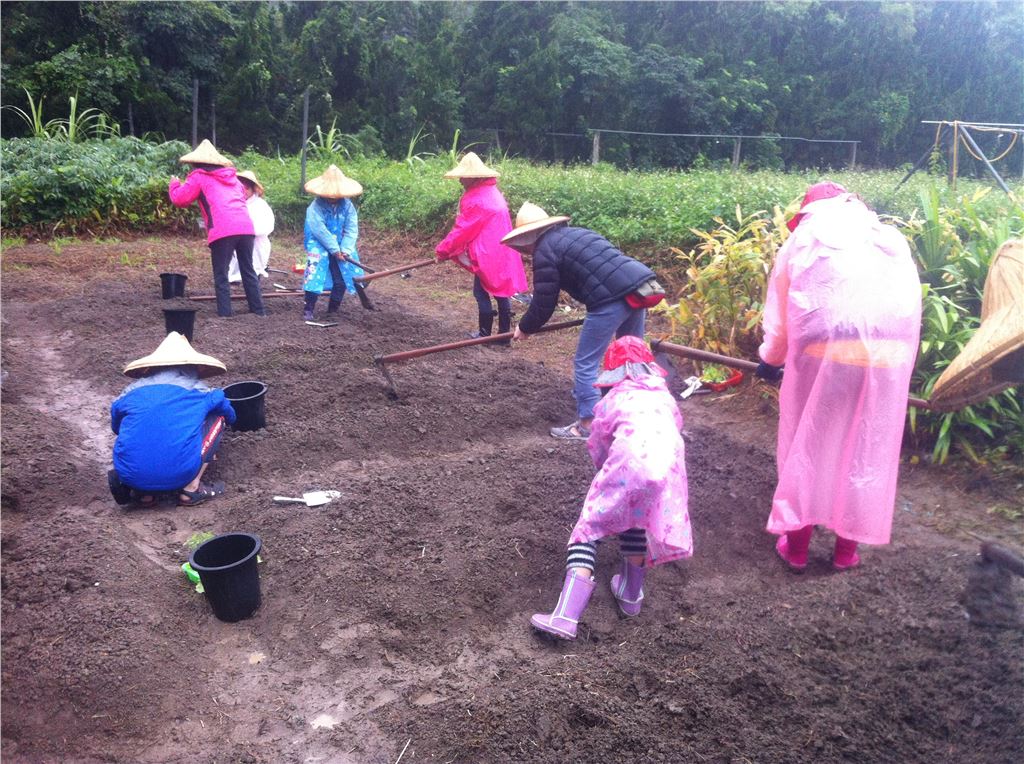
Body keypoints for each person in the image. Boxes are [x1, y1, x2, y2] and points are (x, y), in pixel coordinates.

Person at [757, 181, 922, 571]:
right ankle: (846, 552)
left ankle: (796, 548)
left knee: (810, 441)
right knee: (865, 446)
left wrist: (771, 359)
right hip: (888, 358)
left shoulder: (804, 238)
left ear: (810, 210)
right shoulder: (889, 238)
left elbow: (782, 318)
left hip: (823, 354)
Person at [531, 336, 693, 640]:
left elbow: (599, 445)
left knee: (589, 528)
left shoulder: (611, 402)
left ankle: (565, 616)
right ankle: (631, 596)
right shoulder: (665, 399)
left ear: (614, 372)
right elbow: (674, 431)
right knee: (636, 519)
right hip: (667, 475)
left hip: (627, 467)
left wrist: (605, 472)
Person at [504, 202, 665, 440]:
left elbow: (544, 301)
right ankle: (636, 412)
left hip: (609, 300)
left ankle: (587, 425)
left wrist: (525, 327)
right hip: (638, 290)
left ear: (527, 237)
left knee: (585, 362)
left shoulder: (544, 251)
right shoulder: (580, 233)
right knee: (631, 355)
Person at [107, 332, 236, 508]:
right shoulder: (199, 391)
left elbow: (116, 426)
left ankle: (144, 495)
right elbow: (228, 411)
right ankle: (191, 488)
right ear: (191, 367)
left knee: (136, 426)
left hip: (132, 477)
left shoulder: (130, 392)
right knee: (217, 418)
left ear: (153, 367)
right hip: (182, 472)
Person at [434, 152, 528, 340]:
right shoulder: (493, 193)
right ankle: (503, 336)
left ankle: (485, 334)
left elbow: (462, 230)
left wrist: (442, 250)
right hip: (503, 250)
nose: (460, 180)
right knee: (502, 291)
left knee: (481, 291)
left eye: (463, 177)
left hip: (488, 253)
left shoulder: (476, 199)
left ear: (473, 177)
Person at [168, 139, 265, 318]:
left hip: (222, 230)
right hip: (245, 228)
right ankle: (259, 311)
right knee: (248, 270)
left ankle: (225, 315)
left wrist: (174, 184)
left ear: (196, 163)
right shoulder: (234, 179)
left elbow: (180, 199)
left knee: (221, 275)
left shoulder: (198, 176)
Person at [302, 164, 373, 321]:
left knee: (342, 278)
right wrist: (335, 250)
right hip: (319, 242)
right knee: (314, 275)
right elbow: (319, 230)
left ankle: (333, 310)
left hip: (342, 244)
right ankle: (308, 309)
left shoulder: (348, 206)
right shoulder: (315, 207)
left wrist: (345, 250)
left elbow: (351, 229)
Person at [228, 170, 275, 283]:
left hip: (256, 243)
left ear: (253, 189)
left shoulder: (260, 205)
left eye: (247, 188)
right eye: (241, 187)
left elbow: (267, 225)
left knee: (253, 270)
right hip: (236, 242)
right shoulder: (233, 203)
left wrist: (248, 231)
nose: (244, 191)